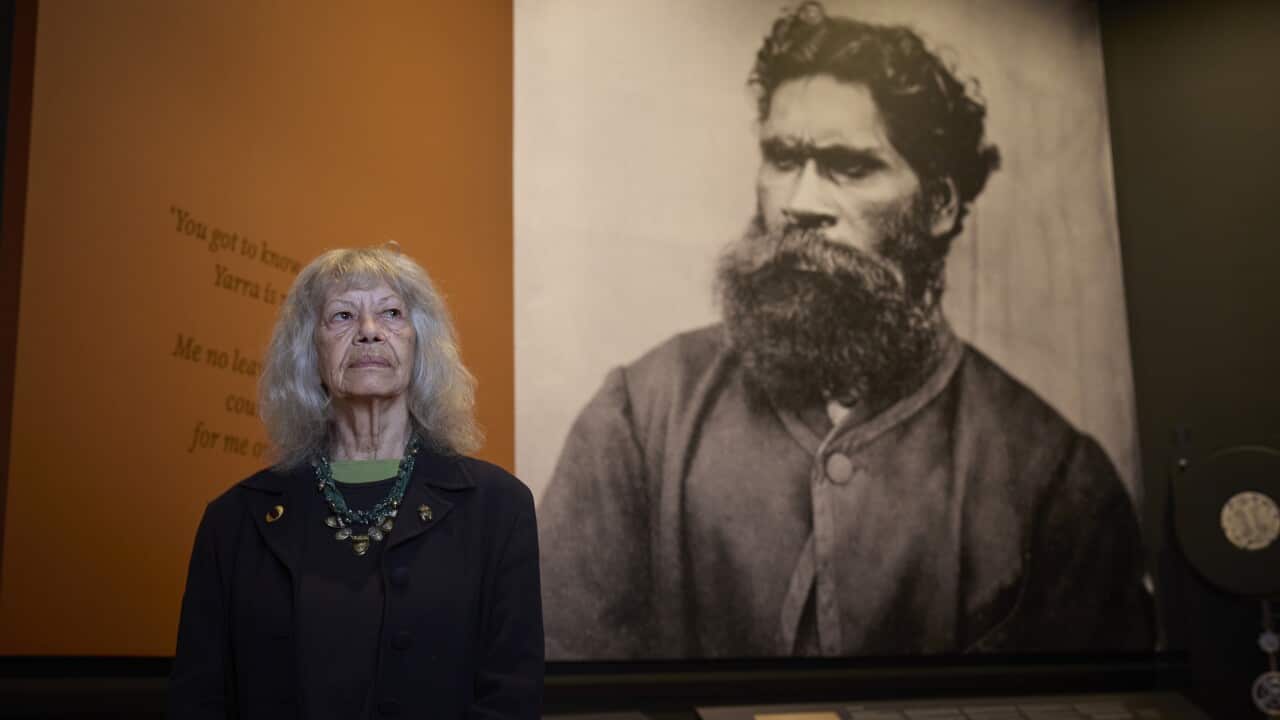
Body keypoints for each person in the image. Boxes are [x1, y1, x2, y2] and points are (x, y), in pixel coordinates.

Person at [538, 2, 1152, 659]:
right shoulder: (641, 417)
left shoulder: (1054, 478)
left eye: (850, 166)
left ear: (939, 206)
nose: (799, 203)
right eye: (783, 158)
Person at [169, 246, 543, 719]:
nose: (369, 331)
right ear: (310, 352)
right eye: (342, 316)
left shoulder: (499, 508)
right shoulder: (234, 520)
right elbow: (199, 700)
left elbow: (510, 698)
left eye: (391, 314)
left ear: (420, 345)